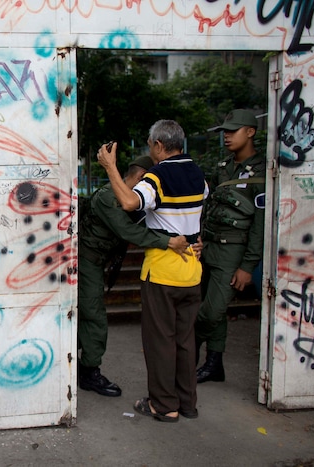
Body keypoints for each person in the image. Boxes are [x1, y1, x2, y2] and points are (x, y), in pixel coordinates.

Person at [97, 120, 208, 422]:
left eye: (149, 144)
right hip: (192, 274)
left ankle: (163, 404)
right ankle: (187, 403)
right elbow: (195, 219)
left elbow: (130, 202)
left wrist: (110, 167)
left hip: (162, 273)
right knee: (185, 341)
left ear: (158, 145)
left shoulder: (158, 177)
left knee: (160, 342)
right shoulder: (199, 175)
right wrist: (199, 242)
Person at [78, 155, 191, 397]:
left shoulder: (130, 200)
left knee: (87, 313)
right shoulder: (110, 197)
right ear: (142, 177)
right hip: (86, 262)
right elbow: (129, 231)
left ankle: (82, 361)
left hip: (97, 263)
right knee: (94, 316)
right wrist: (169, 242)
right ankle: (89, 371)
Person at [195, 109, 265, 383]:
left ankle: (188, 347)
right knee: (216, 310)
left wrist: (248, 265)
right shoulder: (223, 168)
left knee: (211, 311)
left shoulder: (262, 171)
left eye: (232, 131)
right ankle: (214, 364)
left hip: (234, 253)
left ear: (250, 132)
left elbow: (260, 223)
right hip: (210, 247)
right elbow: (210, 206)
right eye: (224, 131)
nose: (226, 136)